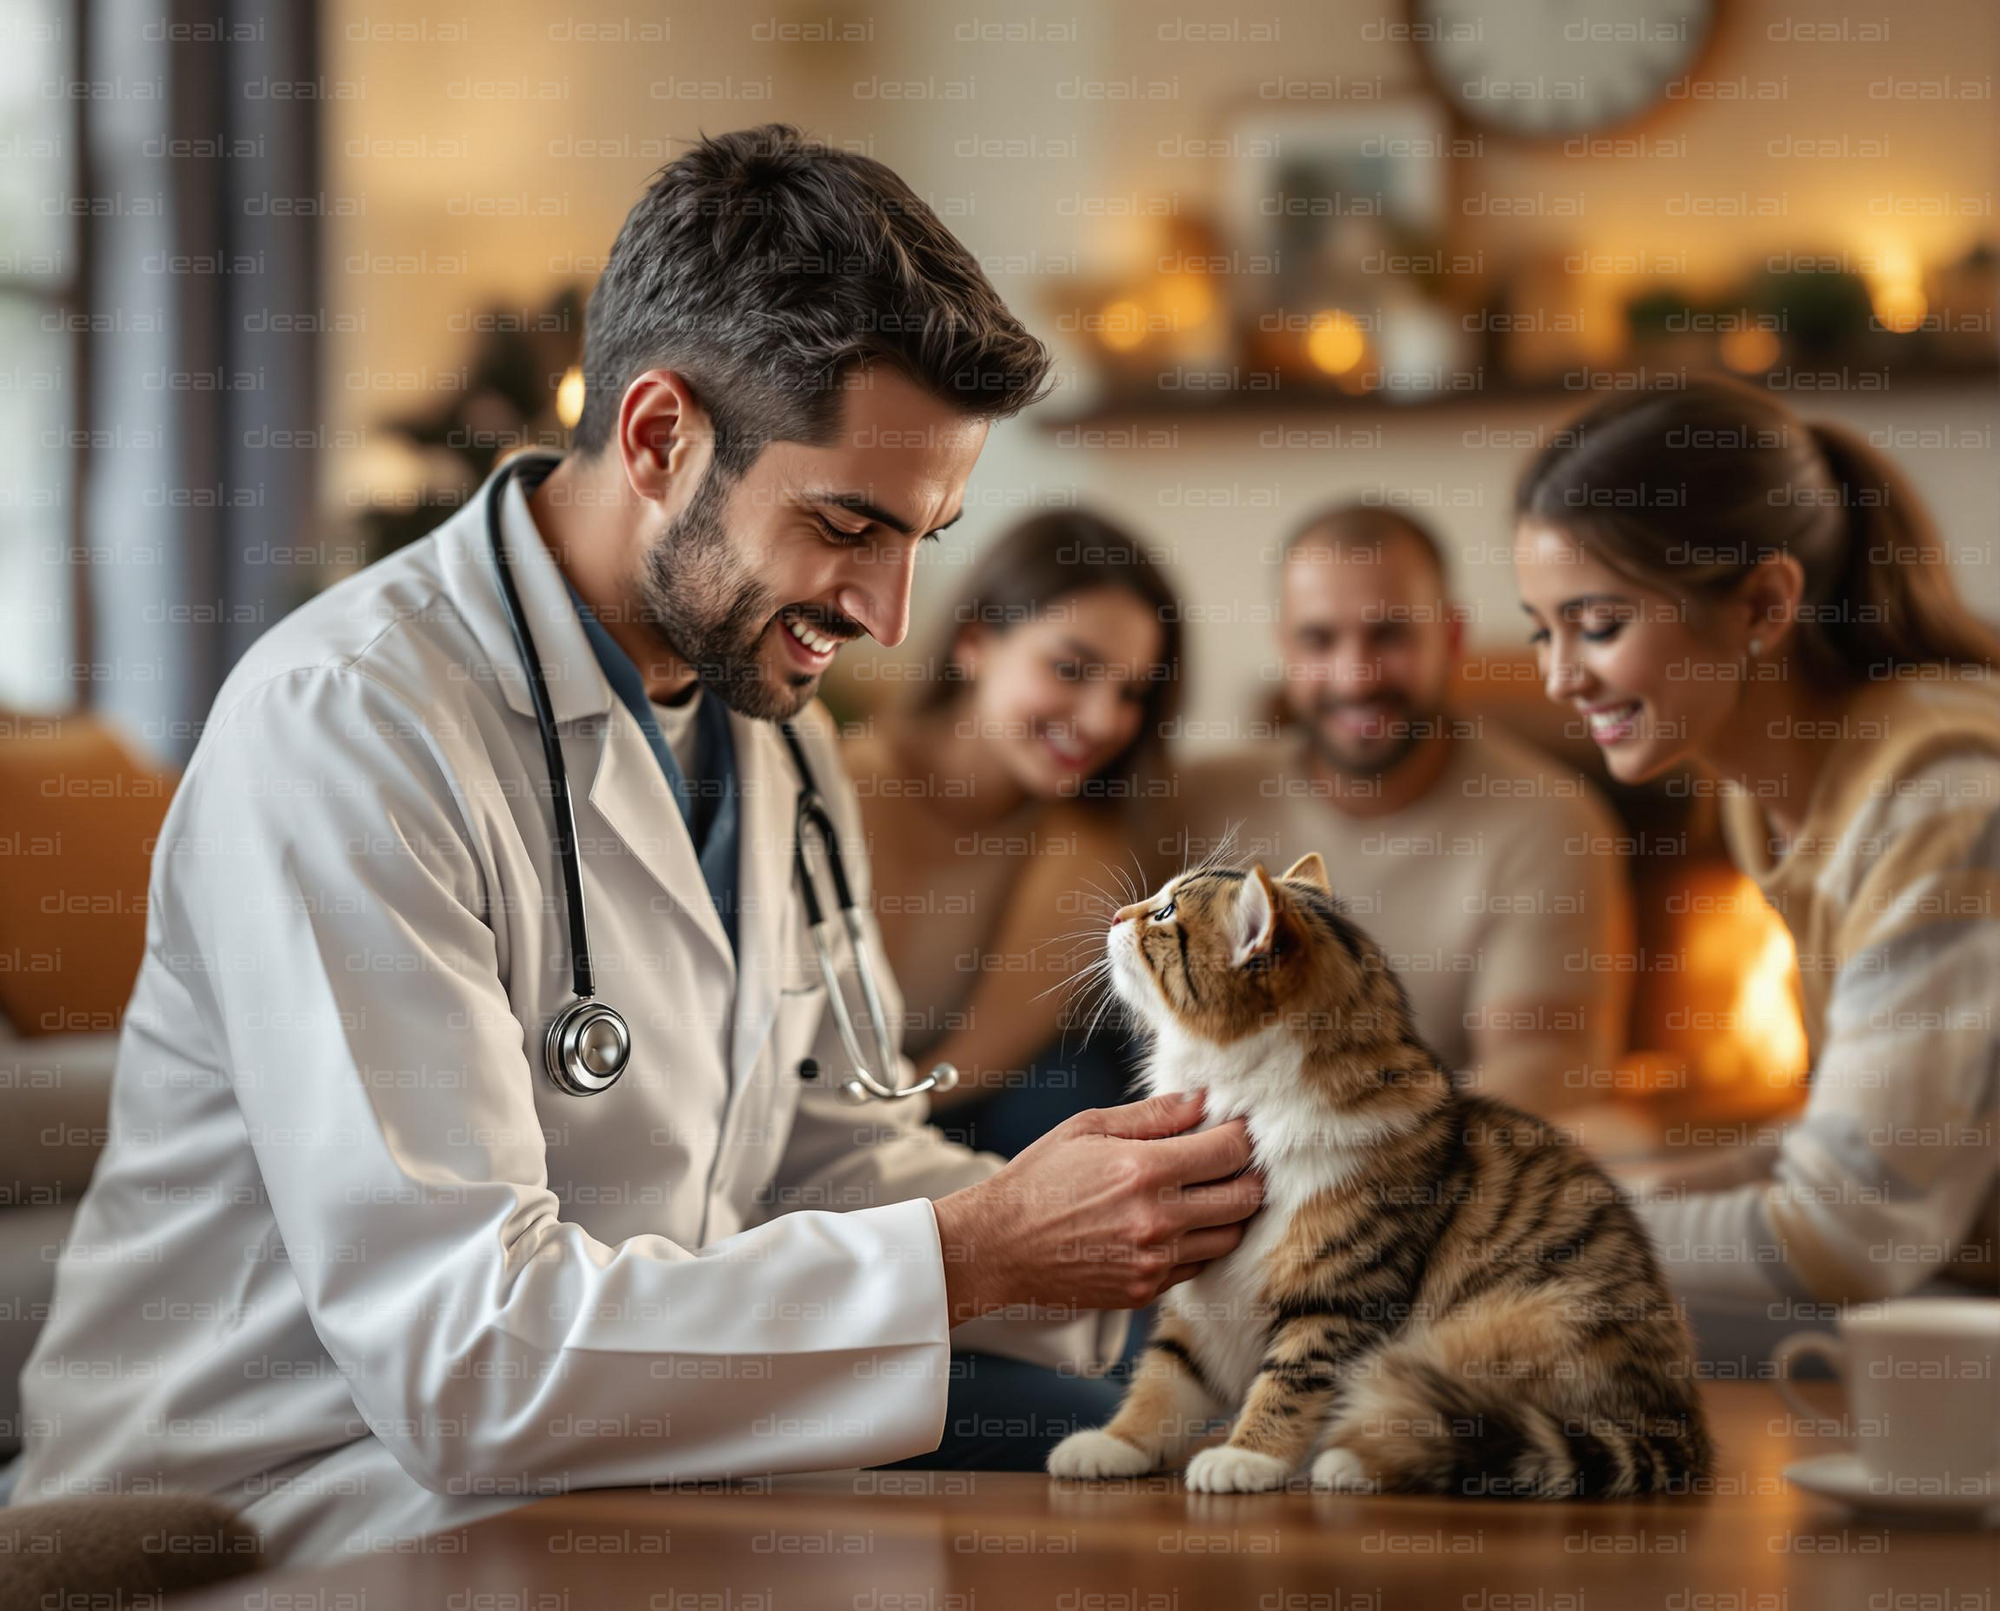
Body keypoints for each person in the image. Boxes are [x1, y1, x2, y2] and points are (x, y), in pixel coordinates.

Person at [9, 126, 1265, 1566]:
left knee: (1159, 1463)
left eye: (921, 539)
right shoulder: (350, 723)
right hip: (290, 1489)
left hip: (616, 1440)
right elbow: (466, 1356)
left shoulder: (772, 735)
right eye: (847, 525)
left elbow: (819, 1154)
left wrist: (1153, 1218)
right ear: (661, 436)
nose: (889, 615)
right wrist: (981, 1249)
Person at [1512, 375, 2000, 1365]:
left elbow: (1848, 1231)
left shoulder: (1938, 794)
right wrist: (1617, 1190)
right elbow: (1868, 1142)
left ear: (1764, 605)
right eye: (1540, 629)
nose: (1559, 678)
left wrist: (1517, 1233)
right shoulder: (1761, 798)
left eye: (1597, 625)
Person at [1151, 503, 1636, 1116]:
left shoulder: (1554, 823)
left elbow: (1544, 1065)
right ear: (1284, 648)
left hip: (1426, 1168)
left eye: (1390, 635)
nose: (1356, 676)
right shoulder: (1191, 799)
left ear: (1452, 638)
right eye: (1319, 640)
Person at [844, 509, 1182, 1159]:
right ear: (975, 642)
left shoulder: (1090, 839)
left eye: (1131, 693)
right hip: (811, 1109)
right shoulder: (840, 780)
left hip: (930, 1112)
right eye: (1072, 669)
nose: (1102, 720)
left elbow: (978, 1058)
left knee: (1071, 1085)